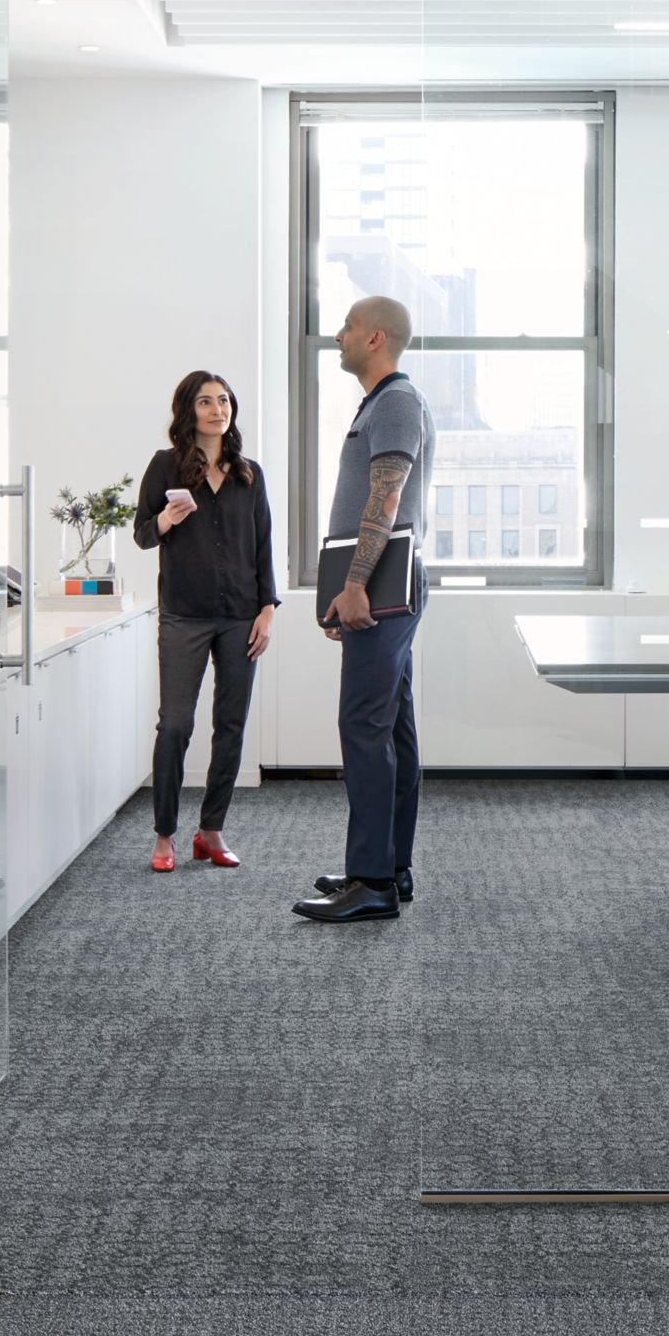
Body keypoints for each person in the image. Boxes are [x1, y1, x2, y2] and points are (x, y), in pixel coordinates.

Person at [296, 293, 431, 923]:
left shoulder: (398, 402)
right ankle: (389, 867)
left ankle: (371, 880)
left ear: (375, 338)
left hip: (384, 583)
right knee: (391, 728)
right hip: (380, 582)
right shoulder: (380, 403)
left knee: (364, 727)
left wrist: (353, 586)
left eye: (349, 326)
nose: (340, 335)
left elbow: (387, 499)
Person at [134, 371, 277, 873]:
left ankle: (211, 831)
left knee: (230, 727)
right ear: (188, 411)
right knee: (174, 725)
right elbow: (142, 536)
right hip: (183, 614)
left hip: (241, 615)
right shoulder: (165, 466)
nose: (218, 409)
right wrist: (168, 520)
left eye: (224, 401)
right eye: (206, 401)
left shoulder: (248, 474)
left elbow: (263, 546)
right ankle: (165, 834)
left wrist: (267, 610)